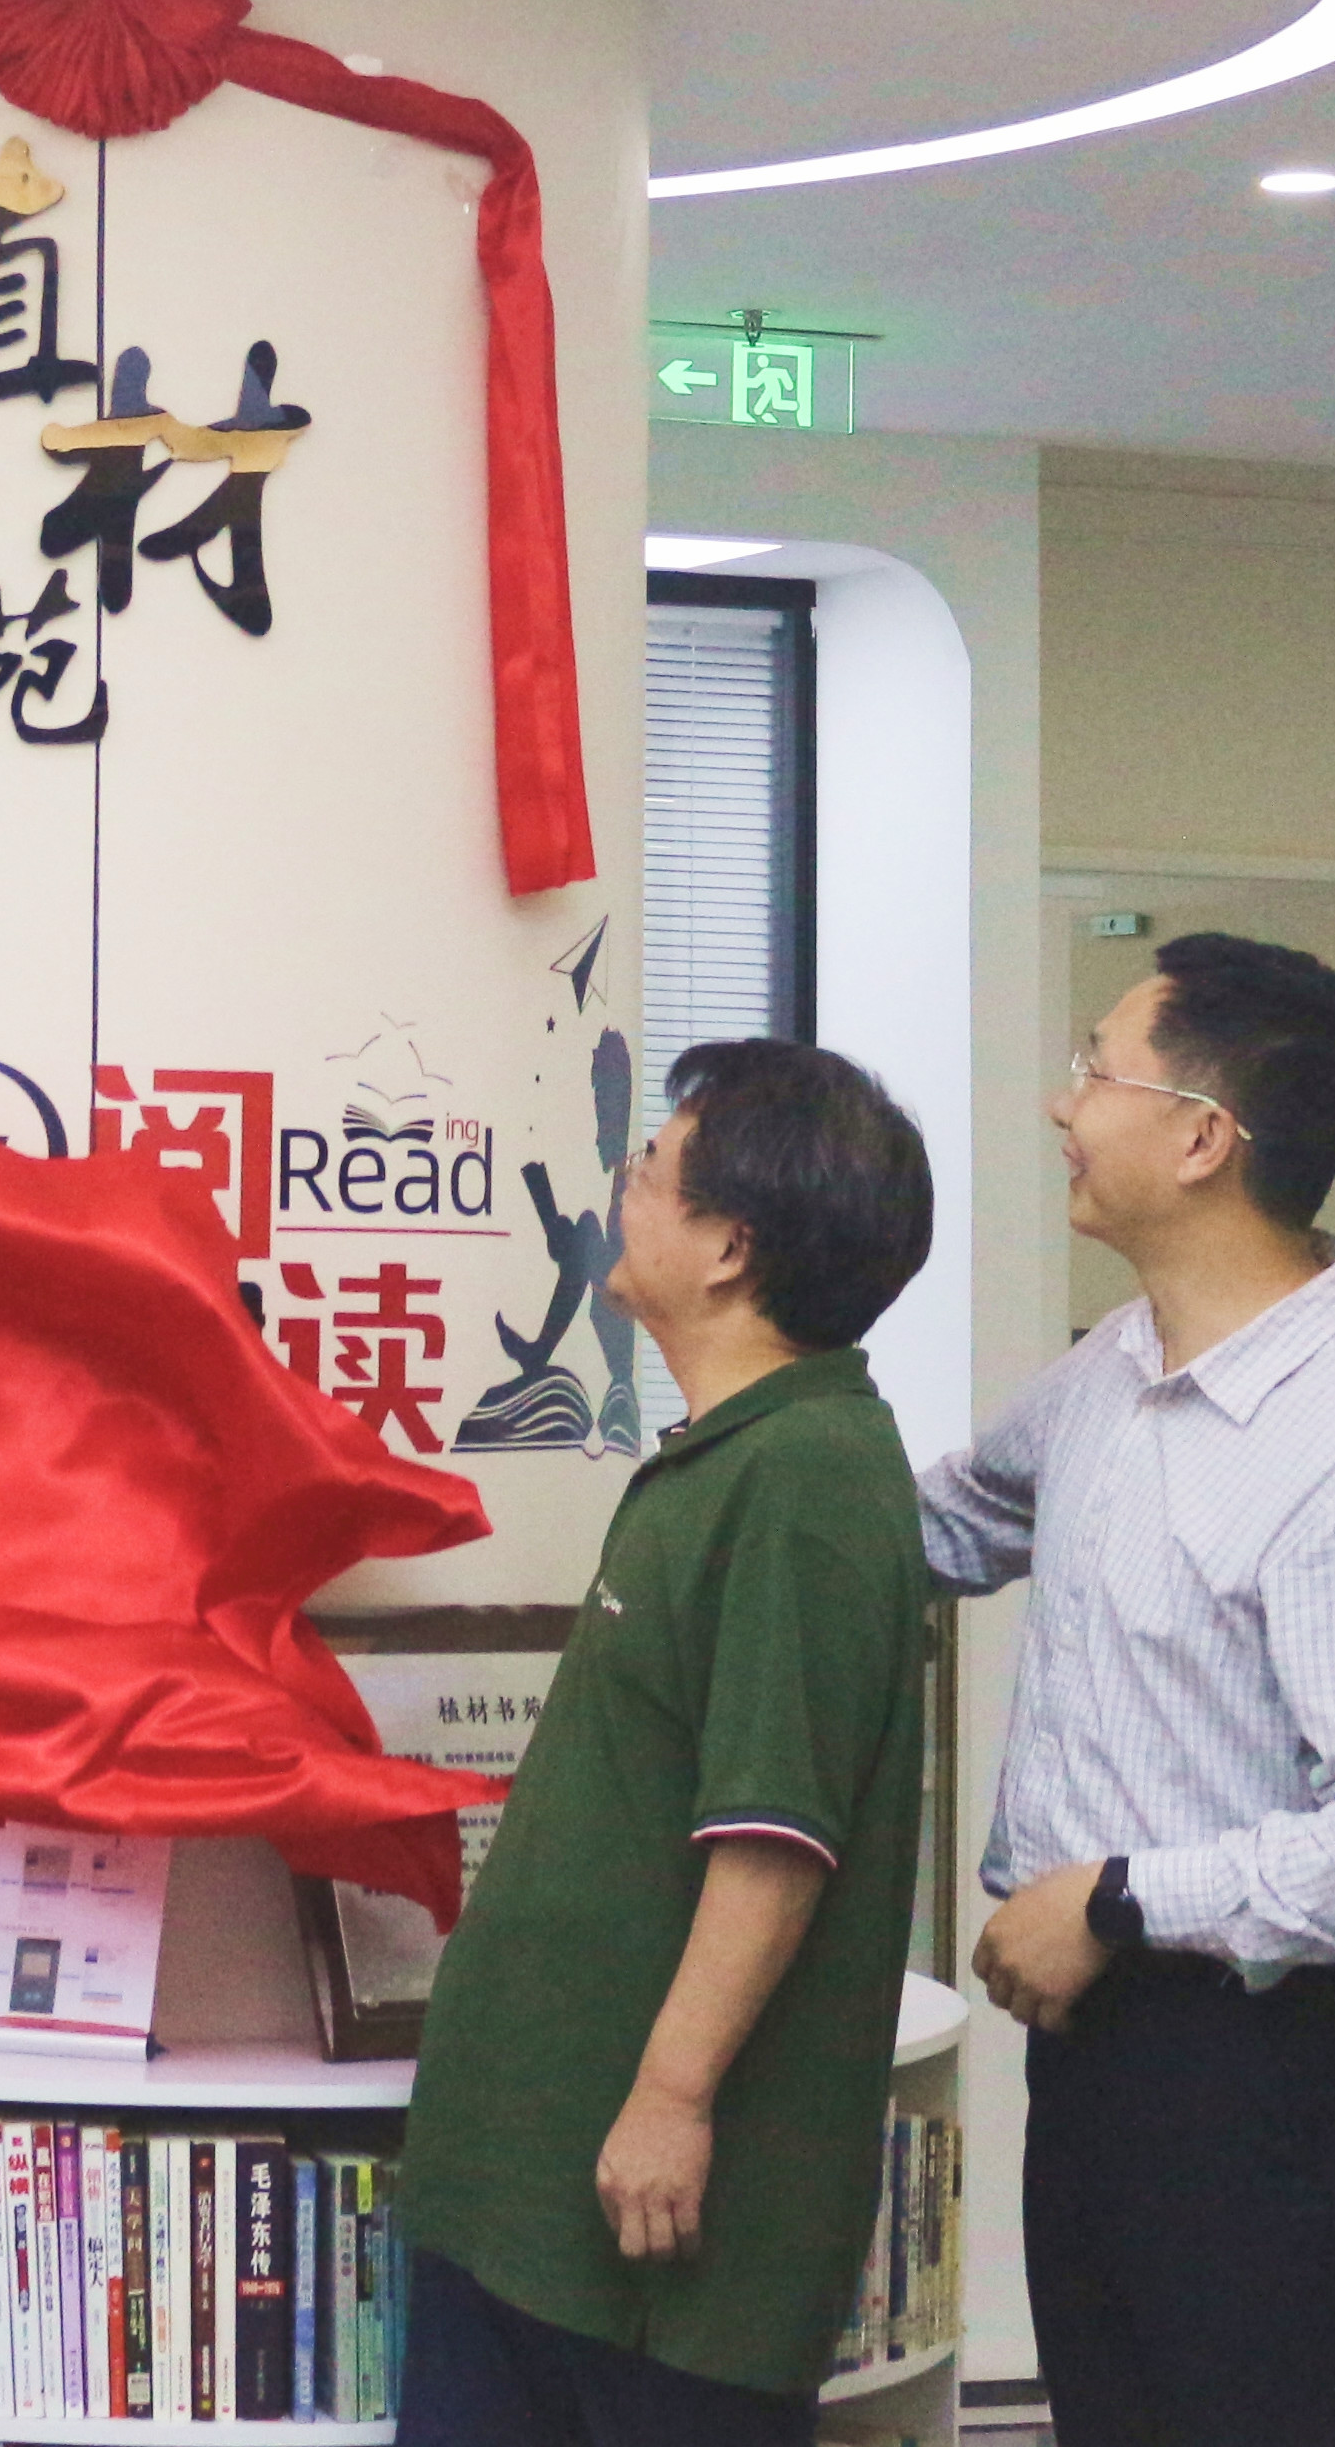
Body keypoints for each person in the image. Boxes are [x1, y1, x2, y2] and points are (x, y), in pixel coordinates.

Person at [924, 932, 1335, 2447]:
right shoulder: (1121, 1363)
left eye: (1095, 1069)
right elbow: (955, 1520)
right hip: (1100, 2041)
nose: (1063, 1105)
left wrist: (1120, 1898)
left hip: (1263, 2071)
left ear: (1200, 1138)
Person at [401, 1038, 940, 2447]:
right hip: (531, 2189)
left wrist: (670, 2097)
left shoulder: (805, 1478)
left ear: (730, 1249)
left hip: (646, 2236)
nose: (620, 1184)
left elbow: (776, 1838)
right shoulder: (729, 1453)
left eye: (648, 1166)